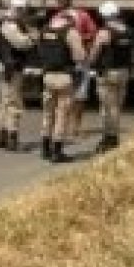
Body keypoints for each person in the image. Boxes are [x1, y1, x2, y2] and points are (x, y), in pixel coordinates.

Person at [37, 9, 86, 162]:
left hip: (47, 76)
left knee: (48, 112)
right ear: (71, 21)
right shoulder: (70, 33)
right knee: (62, 113)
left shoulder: (44, 31)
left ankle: (45, 147)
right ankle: (57, 151)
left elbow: (39, 50)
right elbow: (80, 55)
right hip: (64, 76)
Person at [0, 0, 37, 152]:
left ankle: (3, 135)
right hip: (11, 68)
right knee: (14, 103)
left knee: (6, 102)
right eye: (22, 9)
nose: (23, 12)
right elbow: (21, 43)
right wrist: (33, 37)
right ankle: (12, 136)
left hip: (5, 66)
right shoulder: (9, 24)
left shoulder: (5, 21)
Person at [88, 1, 133, 152]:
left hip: (108, 73)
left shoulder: (104, 32)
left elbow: (95, 52)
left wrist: (90, 63)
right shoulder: (127, 30)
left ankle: (109, 138)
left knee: (107, 107)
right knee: (117, 106)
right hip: (124, 72)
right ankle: (113, 137)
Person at [55, 0, 98, 137]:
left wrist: (79, 39)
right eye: (58, 0)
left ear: (69, 0)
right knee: (68, 96)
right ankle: (66, 128)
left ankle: (75, 127)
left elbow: (93, 32)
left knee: (79, 95)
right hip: (65, 62)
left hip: (78, 60)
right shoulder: (56, 18)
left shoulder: (81, 15)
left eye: (61, 0)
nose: (59, 2)